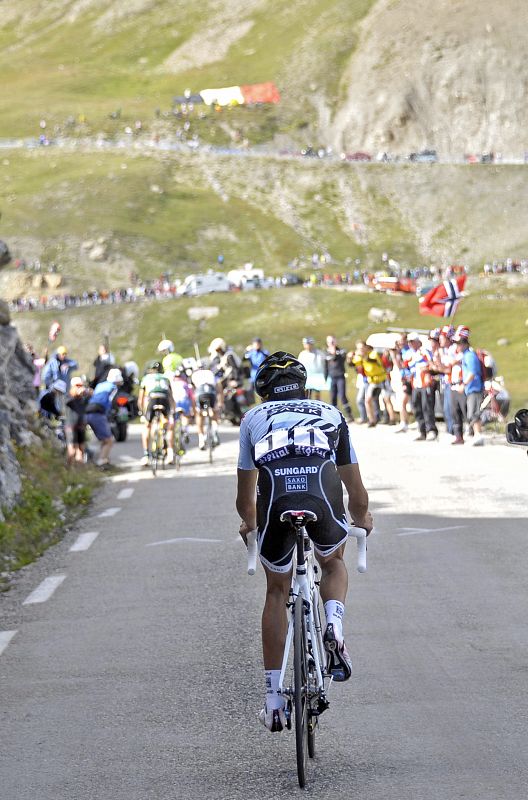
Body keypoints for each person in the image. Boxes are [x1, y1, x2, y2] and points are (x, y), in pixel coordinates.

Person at [235, 352, 373, 732]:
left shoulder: (252, 419)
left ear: (264, 392)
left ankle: (273, 700)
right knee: (332, 562)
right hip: (321, 493)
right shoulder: (331, 413)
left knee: (276, 591)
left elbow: (245, 499)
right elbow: (355, 489)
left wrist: (250, 525)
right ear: (304, 387)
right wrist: (362, 519)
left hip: (276, 497)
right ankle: (334, 625)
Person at [451, 326, 485, 446]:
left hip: (474, 388)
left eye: (458, 343)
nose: (456, 346)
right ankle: (476, 434)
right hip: (470, 389)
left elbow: (473, 372)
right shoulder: (465, 355)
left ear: (464, 344)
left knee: (474, 412)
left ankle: (478, 435)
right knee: (471, 413)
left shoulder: (470, 355)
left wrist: (464, 384)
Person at [138, 360, 175, 465]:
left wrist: (142, 412)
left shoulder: (146, 378)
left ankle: (146, 455)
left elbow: (141, 399)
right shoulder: (165, 378)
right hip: (164, 399)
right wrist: (172, 411)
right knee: (168, 425)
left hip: (153, 399)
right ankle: (170, 453)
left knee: (147, 426)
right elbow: (171, 396)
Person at [85, 368, 123, 466]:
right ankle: (101, 461)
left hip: (88, 412)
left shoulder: (100, 385)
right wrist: (115, 411)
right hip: (98, 413)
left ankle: (103, 459)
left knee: (104, 440)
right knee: (109, 440)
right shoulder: (113, 387)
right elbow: (111, 401)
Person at [405, 332, 438, 441]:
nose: (410, 344)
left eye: (412, 342)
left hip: (425, 384)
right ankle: (422, 430)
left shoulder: (424, 352)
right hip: (415, 384)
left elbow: (432, 364)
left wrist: (427, 370)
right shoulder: (409, 355)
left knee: (427, 407)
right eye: (409, 342)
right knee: (416, 407)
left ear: (418, 342)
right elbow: (406, 368)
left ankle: (431, 430)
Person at [191, 361, 220, 450]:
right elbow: (218, 387)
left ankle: (201, 439)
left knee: (199, 415)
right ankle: (215, 430)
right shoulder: (210, 373)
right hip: (211, 392)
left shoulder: (194, 375)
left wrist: (193, 408)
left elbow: (192, 390)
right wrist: (219, 402)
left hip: (200, 393)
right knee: (214, 411)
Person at [324, 335, 353, 422]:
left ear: (336, 342)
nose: (331, 343)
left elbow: (342, 358)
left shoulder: (341, 351)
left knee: (342, 396)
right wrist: (325, 378)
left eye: (333, 341)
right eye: (329, 342)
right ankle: (335, 417)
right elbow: (326, 367)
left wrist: (334, 352)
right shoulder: (326, 353)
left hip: (340, 377)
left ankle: (350, 415)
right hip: (332, 378)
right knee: (333, 398)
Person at [64, 377, 90, 464]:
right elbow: (67, 401)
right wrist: (76, 393)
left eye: (81, 386)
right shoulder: (68, 396)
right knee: (72, 451)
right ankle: (68, 467)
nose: (80, 388)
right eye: (77, 386)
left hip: (81, 426)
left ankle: (79, 469)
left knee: (81, 449)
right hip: (71, 426)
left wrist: (87, 392)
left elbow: (90, 396)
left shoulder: (83, 398)